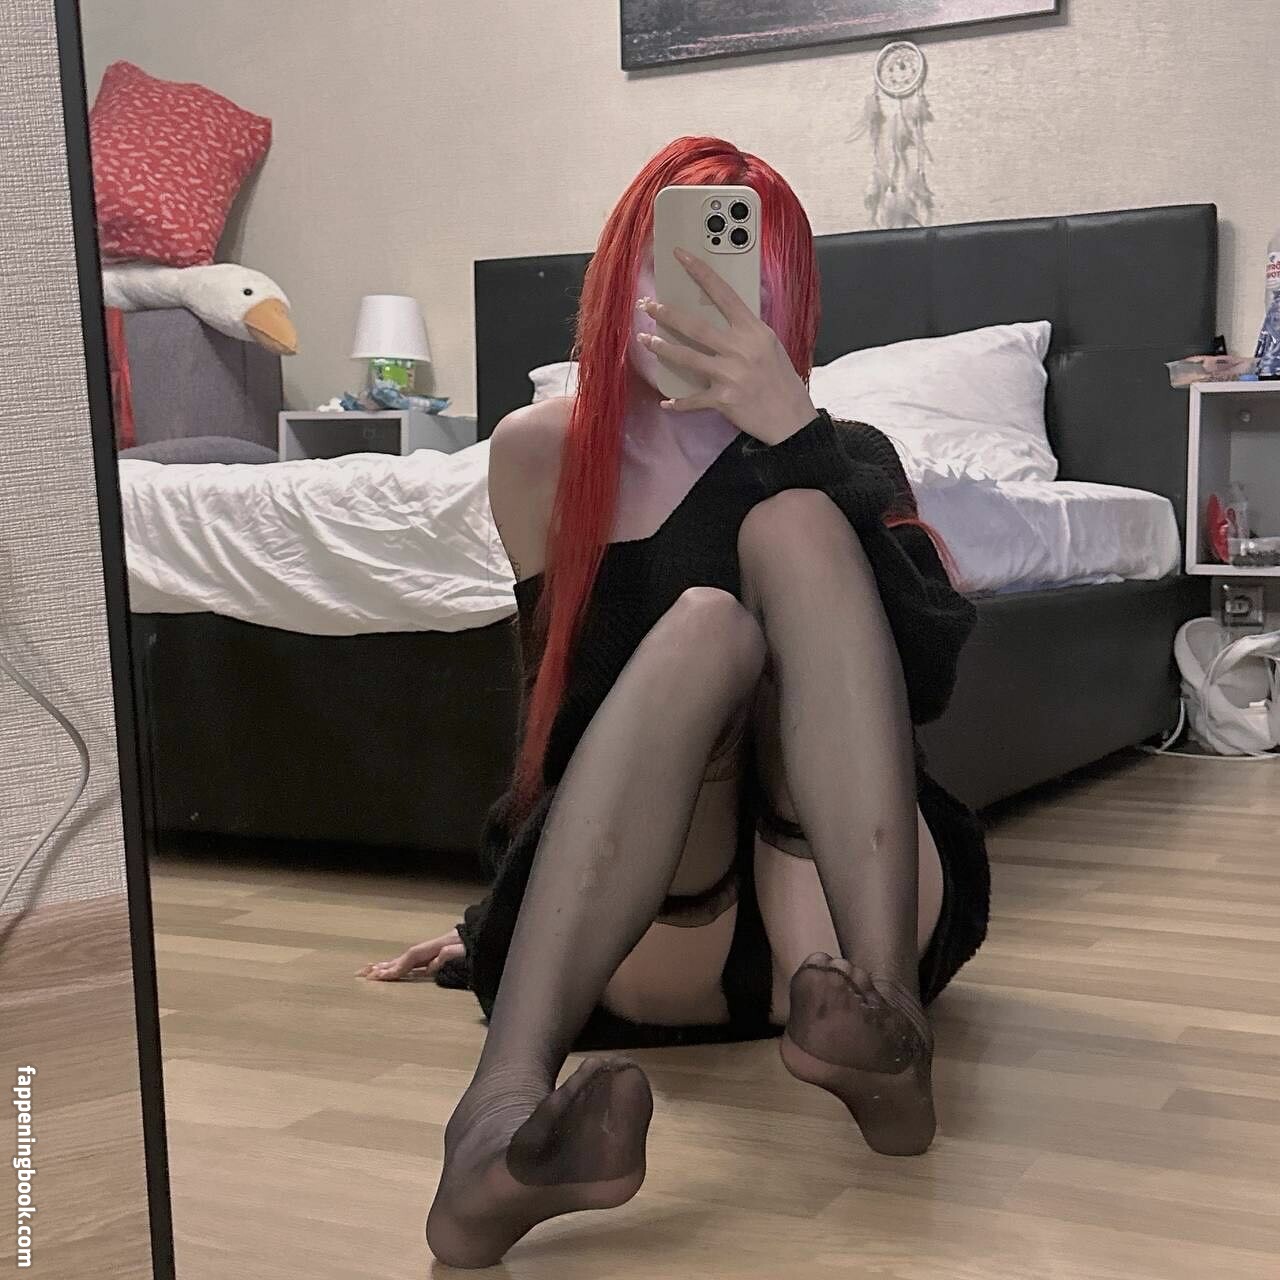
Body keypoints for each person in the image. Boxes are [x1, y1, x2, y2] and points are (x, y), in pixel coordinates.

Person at [358, 136, 990, 1269]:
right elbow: (555, 716)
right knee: (705, 628)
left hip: (836, 922)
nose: (707, 292)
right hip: (661, 923)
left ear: (787, 304)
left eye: (743, 269)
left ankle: (891, 1032)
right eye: (678, 259)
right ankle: (495, 1121)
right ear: (620, 278)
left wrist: (798, 445)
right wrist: (496, 916)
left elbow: (926, 685)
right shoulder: (542, 453)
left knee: (792, 527)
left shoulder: (845, 452)